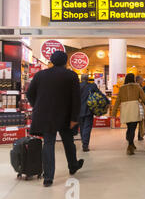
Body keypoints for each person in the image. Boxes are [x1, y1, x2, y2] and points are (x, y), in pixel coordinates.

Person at [26, 51, 84, 187]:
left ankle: (48, 178)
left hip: (45, 115)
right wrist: (75, 117)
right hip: (66, 116)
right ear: (66, 62)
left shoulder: (40, 75)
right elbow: (76, 99)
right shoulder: (71, 75)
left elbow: (29, 93)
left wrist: (37, 106)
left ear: (51, 61)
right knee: (68, 142)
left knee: (48, 144)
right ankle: (73, 166)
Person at [112, 73, 145, 155]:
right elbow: (144, 98)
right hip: (134, 108)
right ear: (134, 79)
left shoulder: (121, 88)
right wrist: (139, 101)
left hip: (125, 109)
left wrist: (113, 113)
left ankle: (131, 143)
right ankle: (130, 146)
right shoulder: (137, 87)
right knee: (133, 127)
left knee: (129, 127)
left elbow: (118, 101)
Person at [79, 74, 101, 152]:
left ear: (81, 79)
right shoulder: (92, 86)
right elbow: (99, 95)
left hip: (79, 110)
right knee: (87, 127)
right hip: (89, 109)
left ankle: (84, 142)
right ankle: (85, 144)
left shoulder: (77, 86)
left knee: (82, 127)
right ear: (88, 79)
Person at [136, 76, 145, 141]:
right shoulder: (139, 87)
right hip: (139, 106)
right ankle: (140, 135)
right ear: (139, 80)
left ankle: (129, 135)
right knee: (140, 122)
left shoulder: (134, 87)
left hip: (134, 106)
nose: (142, 81)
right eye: (142, 80)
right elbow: (143, 97)